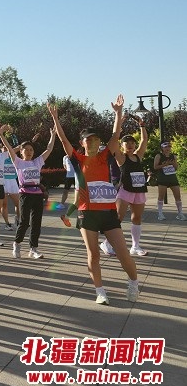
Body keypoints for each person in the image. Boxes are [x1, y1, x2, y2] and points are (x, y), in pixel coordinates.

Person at [47, 97, 139, 304]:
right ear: (83, 143)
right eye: (88, 140)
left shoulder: (105, 156)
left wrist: (118, 113)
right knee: (94, 254)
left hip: (108, 214)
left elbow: (116, 135)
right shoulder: (78, 160)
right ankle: (100, 291)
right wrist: (56, 119)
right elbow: (63, 141)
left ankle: (133, 282)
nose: (93, 142)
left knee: (123, 253)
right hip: (87, 214)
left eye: (96, 140)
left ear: (100, 143)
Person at [0, 124, 55, 259]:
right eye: (26, 150)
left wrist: (53, 136)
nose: (29, 152)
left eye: (31, 149)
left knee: (36, 223)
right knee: (24, 222)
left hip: (37, 195)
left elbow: (49, 149)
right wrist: (1, 135)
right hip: (25, 194)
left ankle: (33, 249)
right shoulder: (18, 162)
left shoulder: (37, 162)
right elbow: (9, 148)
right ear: (21, 152)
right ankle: (17, 244)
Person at [115, 117, 149, 255]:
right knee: (118, 218)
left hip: (139, 190)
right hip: (125, 191)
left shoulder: (138, 156)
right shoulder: (121, 157)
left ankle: (135, 246)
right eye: (126, 143)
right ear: (122, 145)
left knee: (137, 218)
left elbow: (144, 140)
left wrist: (142, 125)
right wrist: (119, 124)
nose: (130, 145)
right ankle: (107, 243)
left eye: (132, 143)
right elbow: (113, 142)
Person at [154, 142, 182, 221]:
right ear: (162, 148)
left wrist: (173, 163)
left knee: (178, 196)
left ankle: (180, 213)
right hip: (163, 178)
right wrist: (165, 164)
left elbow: (176, 167)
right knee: (161, 196)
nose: (168, 148)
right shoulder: (159, 156)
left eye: (169, 147)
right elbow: (155, 167)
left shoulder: (173, 156)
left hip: (172, 178)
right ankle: (160, 214)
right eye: (166, 147)